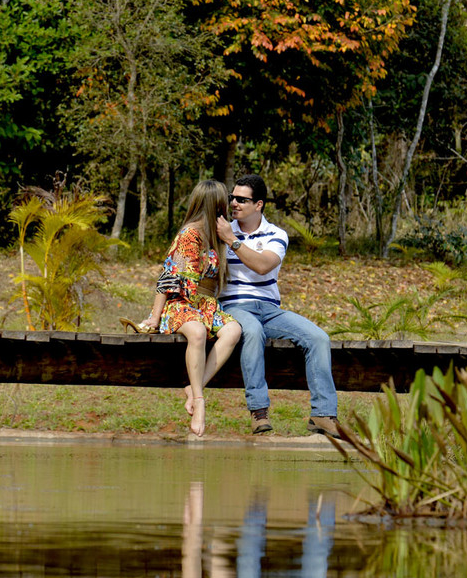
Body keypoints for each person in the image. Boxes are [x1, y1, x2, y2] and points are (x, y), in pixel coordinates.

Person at [214, 174, 340, 437]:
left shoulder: (275, 234)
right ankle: (259, 412)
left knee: (318, 338)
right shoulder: (221, 230)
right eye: (232, 198)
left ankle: (323, 414)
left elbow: (263, 266)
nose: (234, 203)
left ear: (258, 204)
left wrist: (232, 240)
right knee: (253, 332)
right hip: (234, 307)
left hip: (270, 310)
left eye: (242, 200)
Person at [135, 179, 243, 437]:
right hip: (180, 303)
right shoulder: (189, 235)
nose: (228, 207)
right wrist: (155, 317)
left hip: (205, 305)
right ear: (214, 205)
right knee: (197, 332)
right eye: (224, 202)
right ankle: (200, 401)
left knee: (233, 331)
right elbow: (168, 277)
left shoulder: (216, 236)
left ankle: (194, 389)